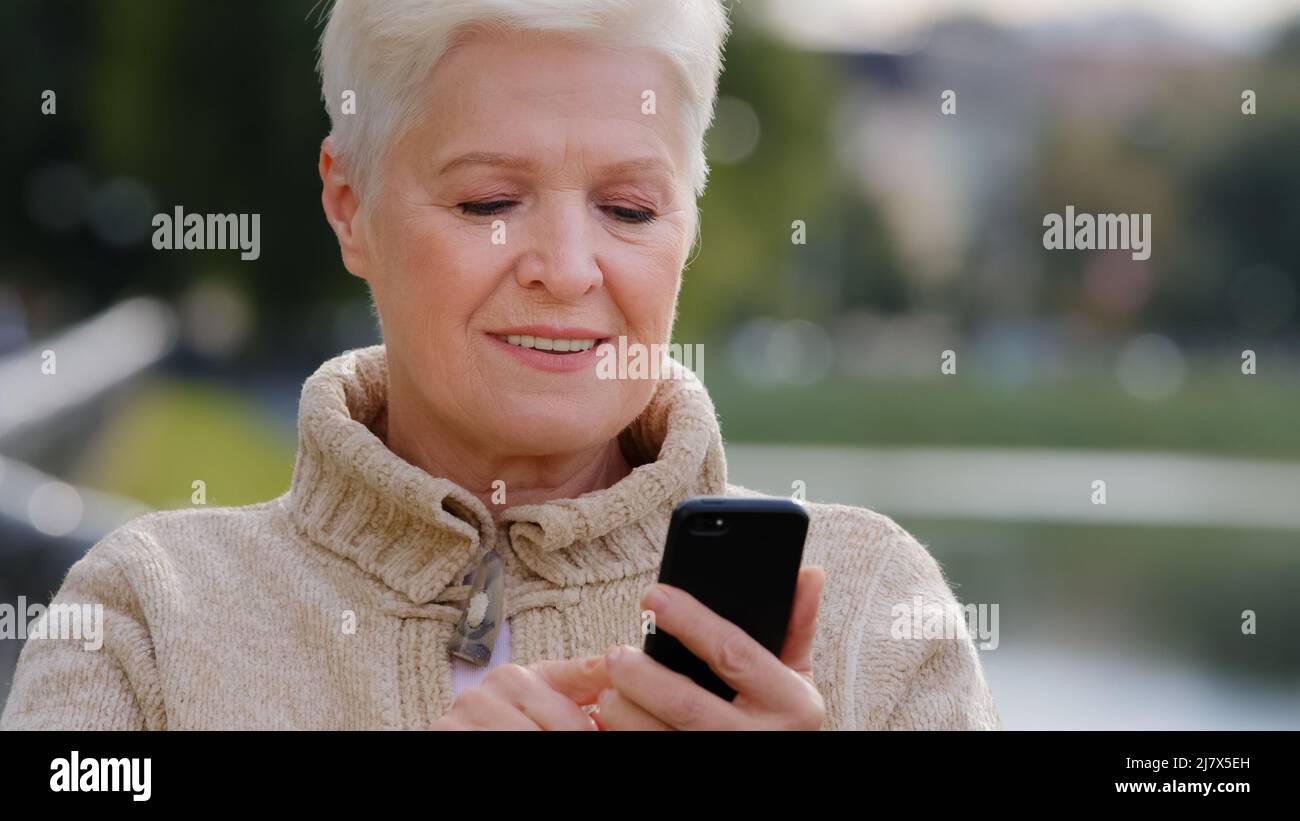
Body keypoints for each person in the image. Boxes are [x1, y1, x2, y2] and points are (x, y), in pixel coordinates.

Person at [1, 0, 1000, 730]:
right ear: (349, 205)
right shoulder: (146, 619)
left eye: (629, 209)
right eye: (487, 202)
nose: (567, 271)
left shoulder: (875, 613)